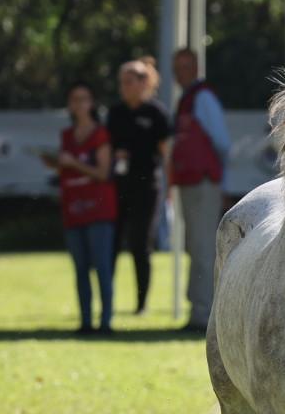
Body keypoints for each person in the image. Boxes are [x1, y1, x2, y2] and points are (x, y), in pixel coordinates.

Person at [42, 81, 118, 335]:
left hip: (99, 209)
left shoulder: (101, 135)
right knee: (80, 269)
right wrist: (57, 164)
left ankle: (105, 322)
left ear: (91, 103)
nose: (79, 104)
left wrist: (73, 162)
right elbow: (67, 166)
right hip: (73, 209)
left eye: (84, 98)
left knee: (102, 268)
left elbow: (102, 172)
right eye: (74, 99)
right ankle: (85, 321)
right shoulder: (66, 136)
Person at [170, 47, 231, 332]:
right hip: (189, 182)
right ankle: (199, 309)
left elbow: (221, 142)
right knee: (195, 246)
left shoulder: (202, 97)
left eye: (185, 66)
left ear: (195, 68)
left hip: (203, 182)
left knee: (204, 247)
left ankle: (204, 314)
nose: (180, 72)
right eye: (176, 67)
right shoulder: (187, 98)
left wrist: (217, 178)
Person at [106, 58, 171, 316]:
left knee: (140, 244)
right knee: (111, 242)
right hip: (118, 185)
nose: (123, 87)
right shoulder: (115, 112)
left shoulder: (156, 113)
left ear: (143, 83)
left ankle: (141, 304)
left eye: (128, 81)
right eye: (121, 82)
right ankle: (107, 300)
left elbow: (166, 154)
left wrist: (170, 190)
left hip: (147, 187)